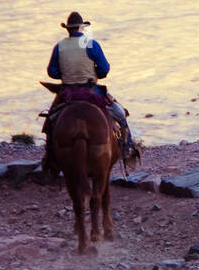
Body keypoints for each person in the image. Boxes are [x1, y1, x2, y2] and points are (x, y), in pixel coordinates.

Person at [42, 12, 137, 168]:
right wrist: (94, 73)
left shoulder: (59, 46)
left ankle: (50, 156)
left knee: (50, 121)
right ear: (81, 28)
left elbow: (52, 72)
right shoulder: (91, 44)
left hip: (67, 91)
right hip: (91, 90)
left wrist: (65, 74)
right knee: (120, 114)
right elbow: (104, 70)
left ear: (68, 30)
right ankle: (127, 148)